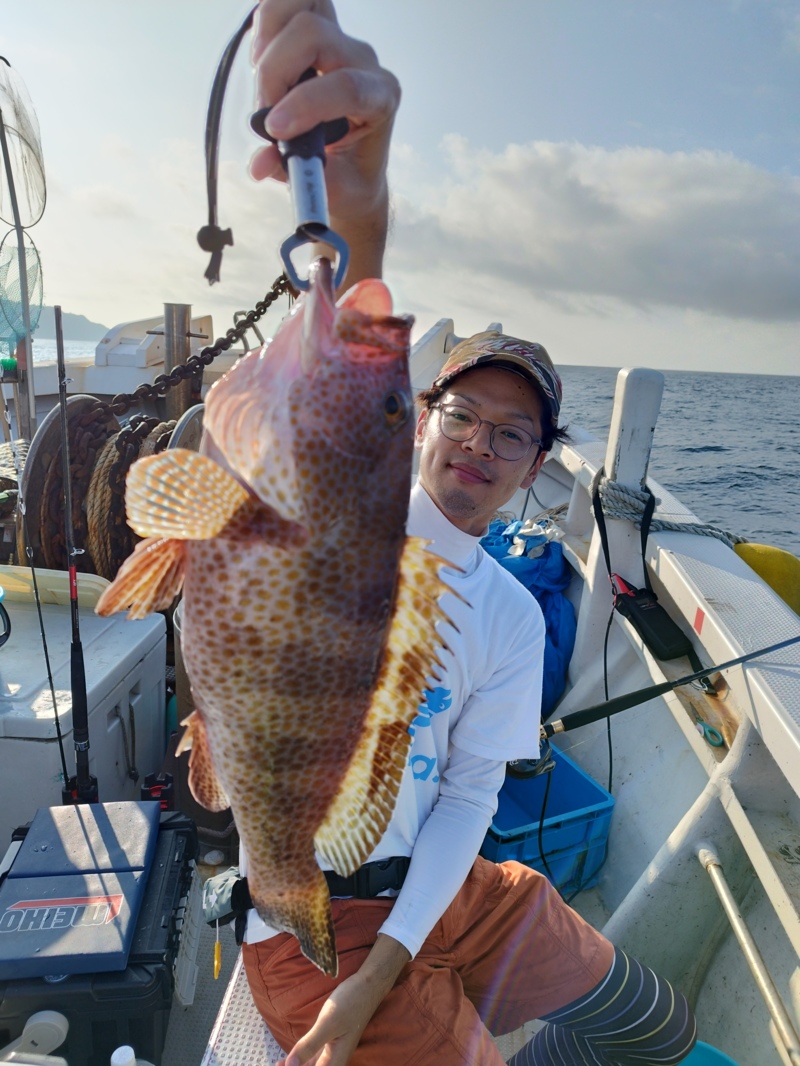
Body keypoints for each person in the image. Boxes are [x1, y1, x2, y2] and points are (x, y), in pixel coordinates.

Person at [242, 4, 698, 1065]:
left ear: (537, 468)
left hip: (440, 896)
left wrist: (401, 957)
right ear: (418, 420)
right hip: (314, 920)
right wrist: (355, 203)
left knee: (652, 1027)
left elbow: (467, 795)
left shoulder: (500, 609)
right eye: (461, 417)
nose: (480, 447)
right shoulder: (340, 520)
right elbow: (331, 372)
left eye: (512, 434)